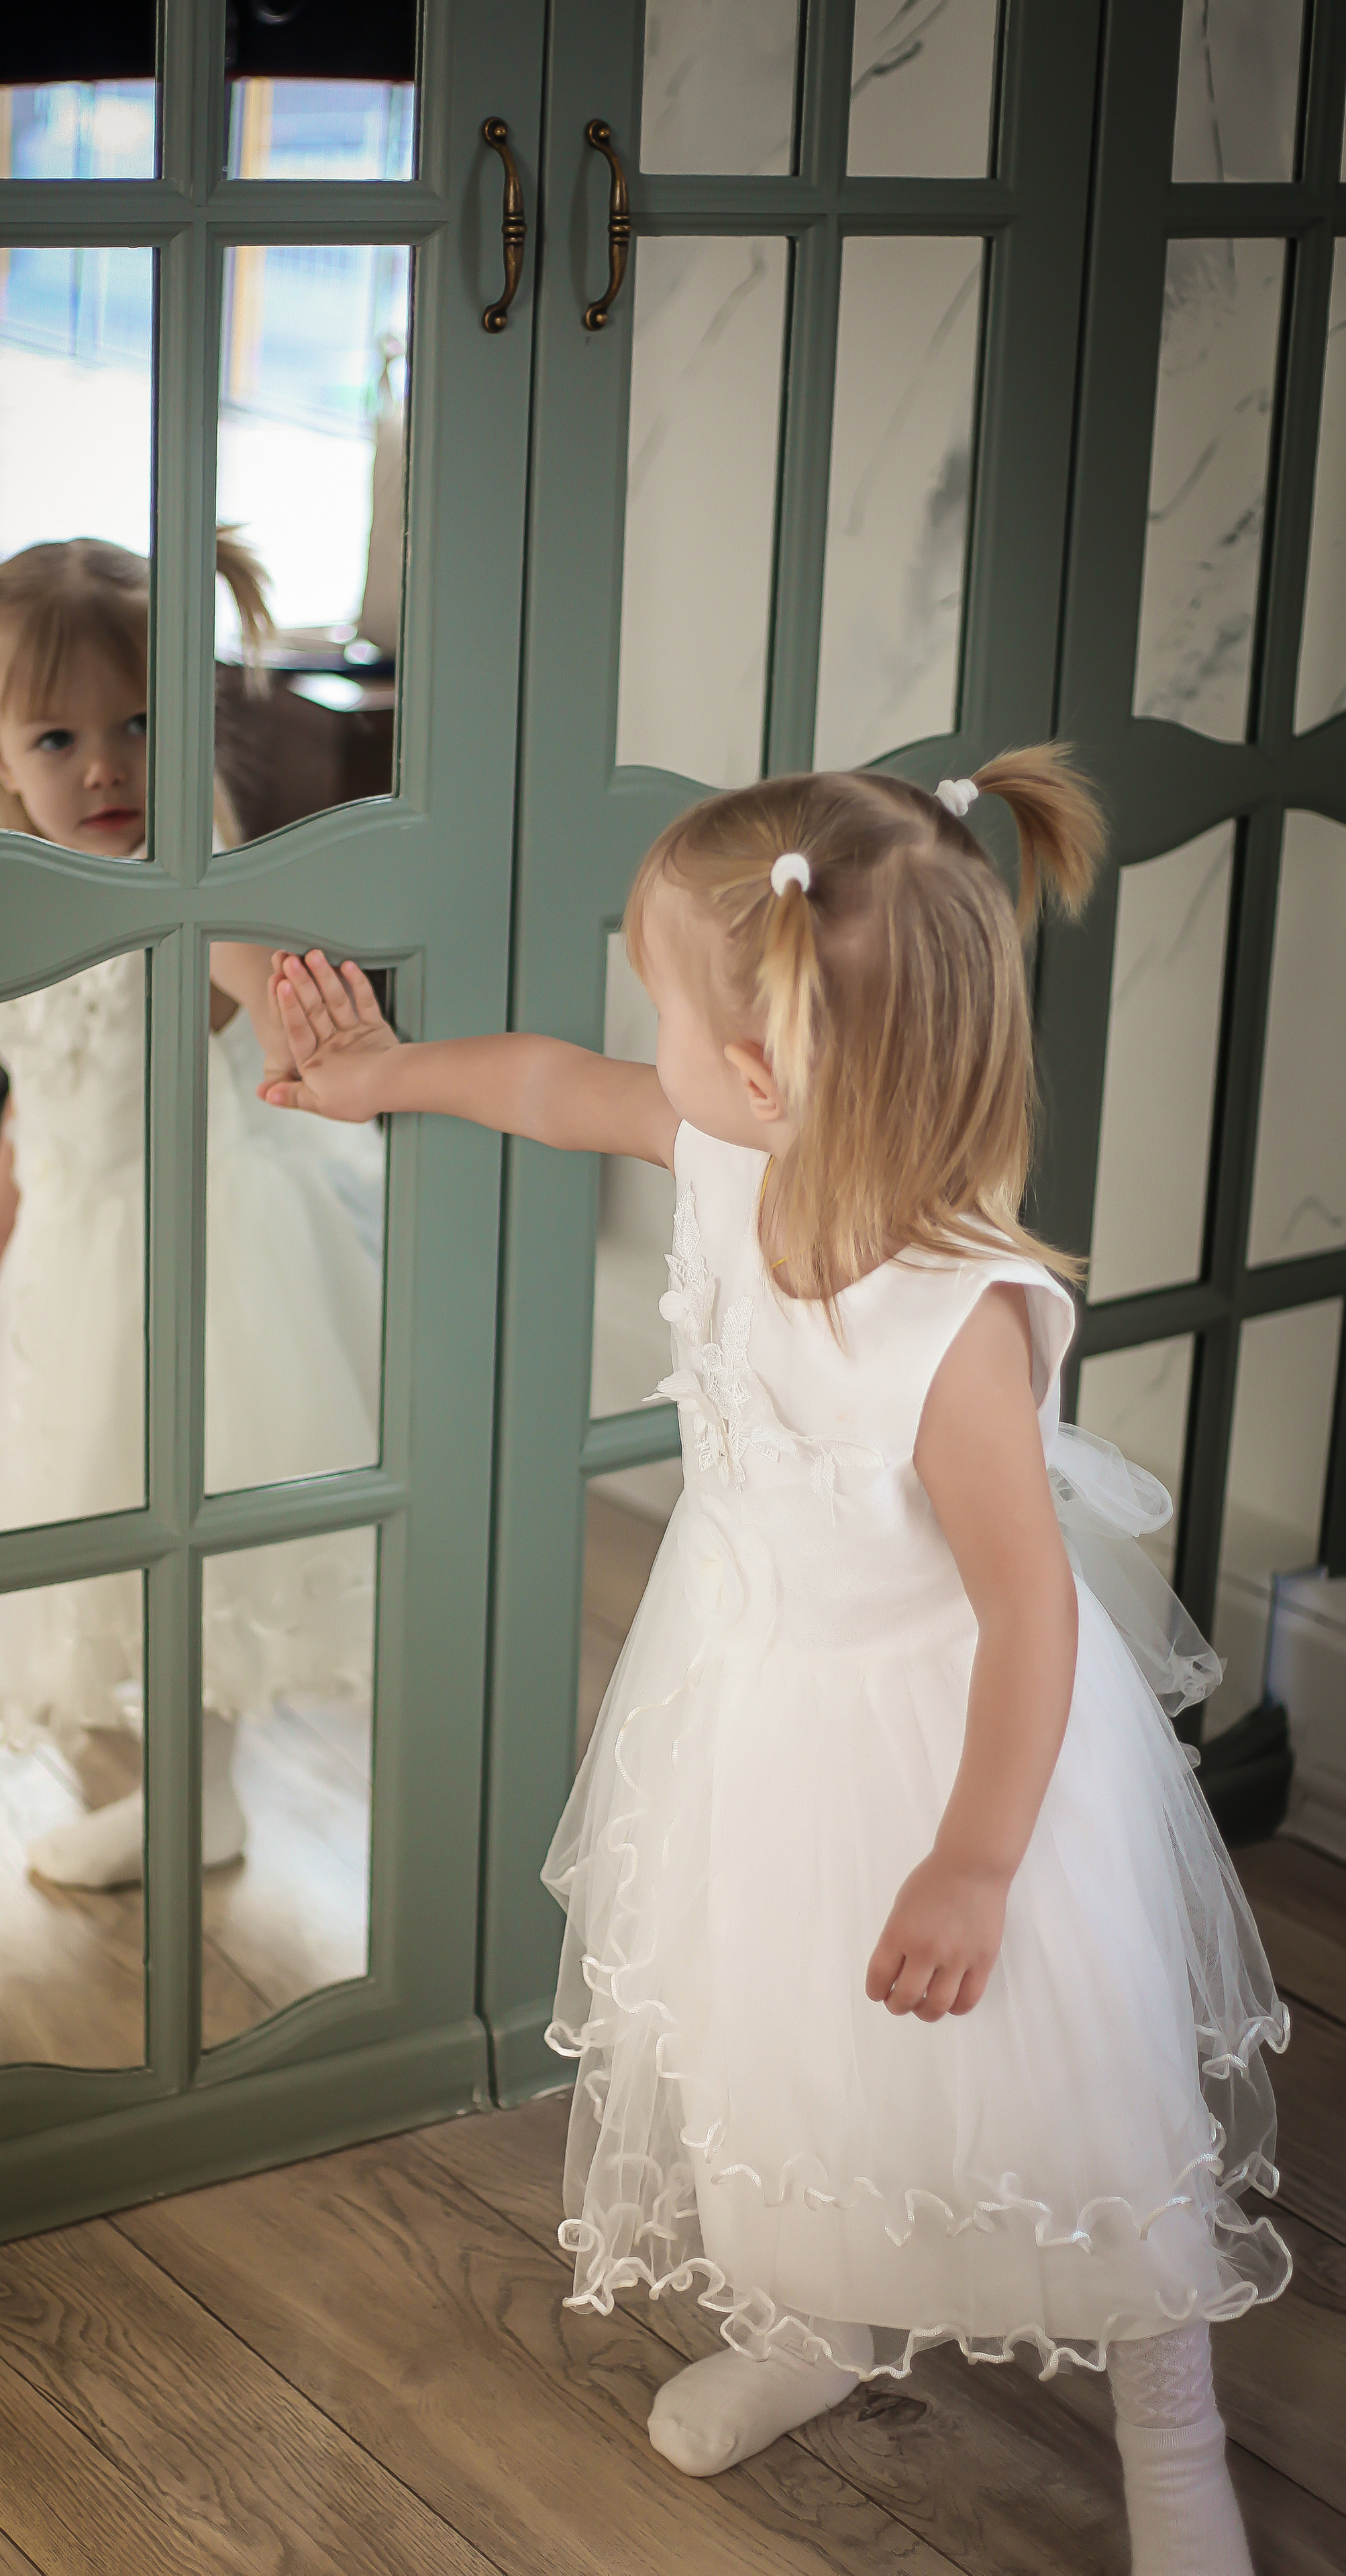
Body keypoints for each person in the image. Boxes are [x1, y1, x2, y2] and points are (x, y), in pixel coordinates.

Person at [262, 749, 1287, 2576]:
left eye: (653, 991)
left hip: (958, 1752)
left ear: (759, 1055)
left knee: (1070, 2094)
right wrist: (377, 1074)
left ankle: (1168, 2427)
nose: (631, 1031)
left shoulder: (953, 1321)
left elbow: (1034, 1610)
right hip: (754, 1699)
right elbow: (558, 1089)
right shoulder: (735, 1143)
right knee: (779, 2040)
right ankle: (818, 2320)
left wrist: (976, 1860)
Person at [0, 535, 380, 1889]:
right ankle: (180, 1790)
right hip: (73, 1261)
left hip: (194, 1262)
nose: (104, 766)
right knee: (102, 1534)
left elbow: (278, 999)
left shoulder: (200, 896)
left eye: (138, 725)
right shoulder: (15, 896)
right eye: (60, 735)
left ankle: (197, 1796)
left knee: (182, 1535)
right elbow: (40, 1084)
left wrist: (323, 1031)